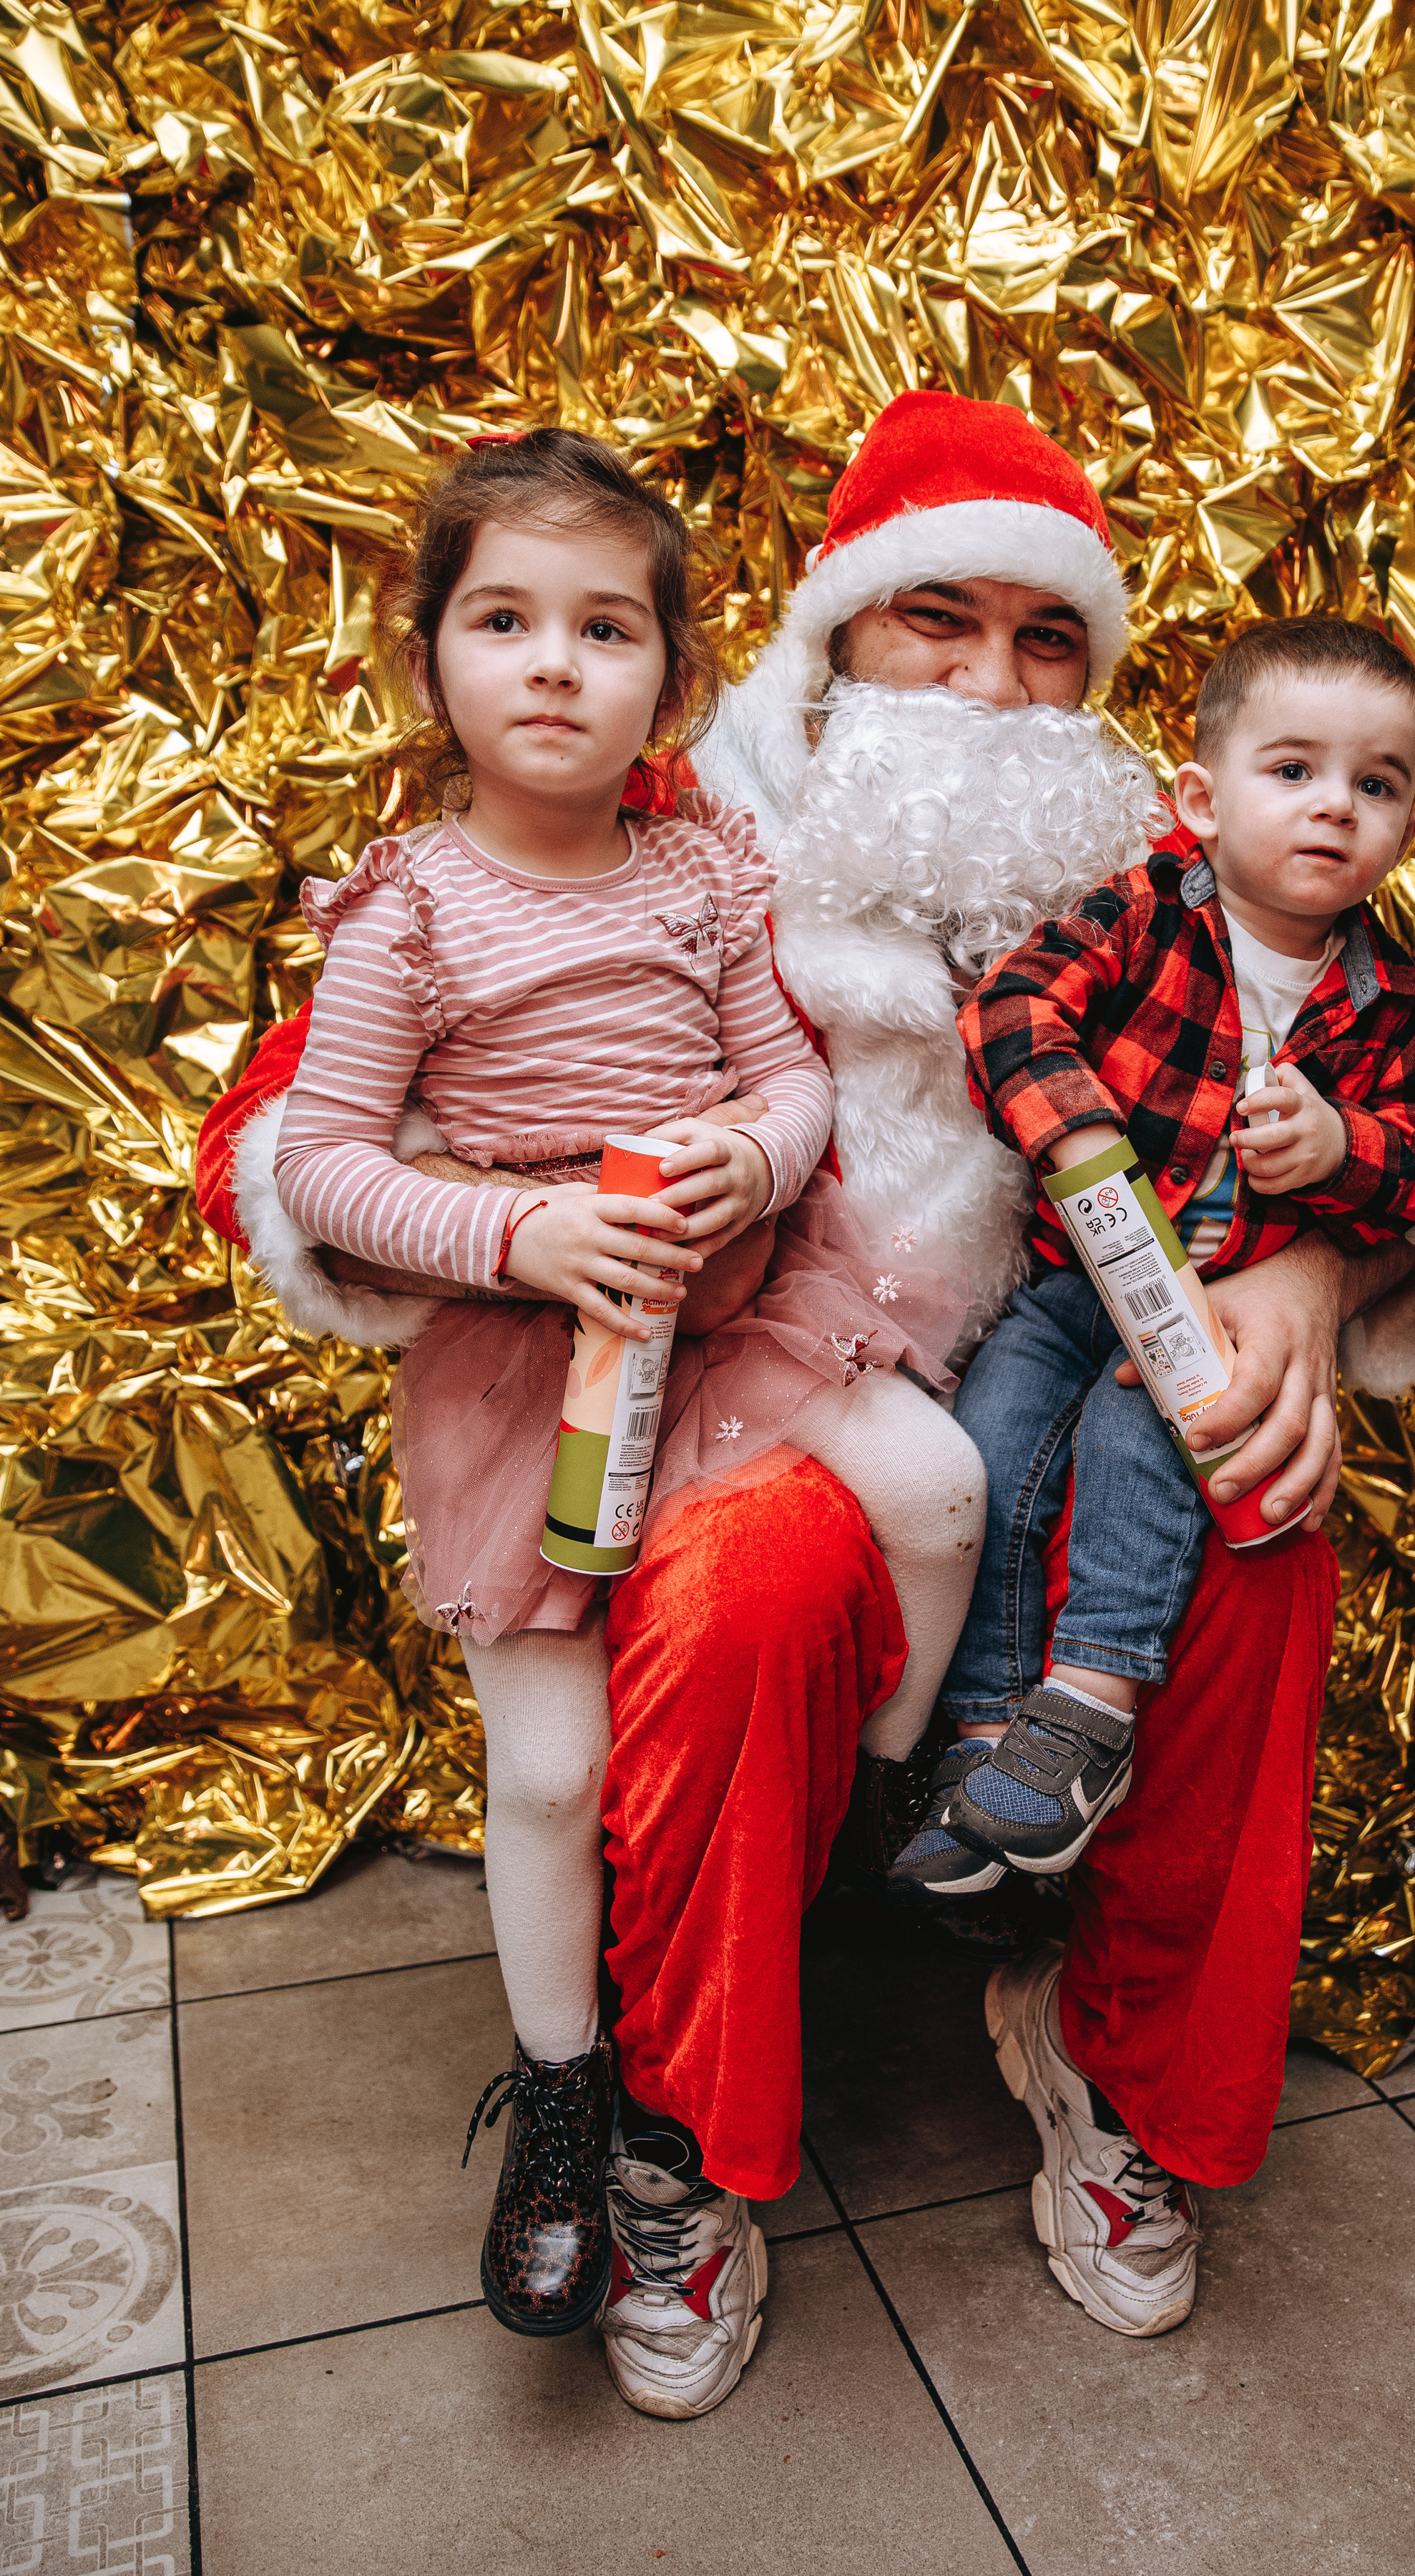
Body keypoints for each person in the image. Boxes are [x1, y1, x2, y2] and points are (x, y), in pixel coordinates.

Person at [194, 391, 1415, 2388]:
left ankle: (1115, 2068)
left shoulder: (1168, 849)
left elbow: (1403, 1103)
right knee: (743, 1587)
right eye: (934, 623)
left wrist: (1321, 1271)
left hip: (1084, 1390)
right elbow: (282, 1131)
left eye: (1044, 641)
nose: (986, 686)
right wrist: (527, 1231)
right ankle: (683, 2144)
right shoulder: (677, 810)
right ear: (834, 638)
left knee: (1266, 1537)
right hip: (771, 1387)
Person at [265, 426, 980, 2416]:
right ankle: (568, 2107)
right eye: (507, 621)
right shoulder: (406, 911)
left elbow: (794, 1083)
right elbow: (326, 1163)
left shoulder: (707, 869)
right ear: (436, 666)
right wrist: (523, 1229)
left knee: (934, 1489)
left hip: (732, 1323)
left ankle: (888, 1809)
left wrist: (751, 1168)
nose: (558, 665)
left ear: (672, 676)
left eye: (606, 628)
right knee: (560, 1775)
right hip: (532, 1371)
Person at [888, 616, 1415, 1903]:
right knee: (990, 1440)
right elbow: (1010, 1009)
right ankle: (988, 1743)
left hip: (1208, 1307)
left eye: (1376, 786)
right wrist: (1083, 1133)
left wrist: (1341, 1148)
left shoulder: (1390, 1001)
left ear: (1409, 826)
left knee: (1145, 1441)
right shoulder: (1144, 912)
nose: (1334, 808)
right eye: (1294, 771)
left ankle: (1088, 1708)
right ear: (1201, 799)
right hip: (1073, 1279)